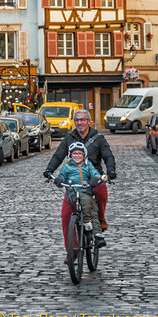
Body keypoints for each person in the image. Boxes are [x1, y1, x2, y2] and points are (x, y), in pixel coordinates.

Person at [44, 108, 116, 245]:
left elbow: (108, 155)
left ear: (89, 121)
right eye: (77, 120)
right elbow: (58, 155)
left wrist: (110, 171)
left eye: (82, 119)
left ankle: (100, 219)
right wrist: (49, 170)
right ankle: (72, 252)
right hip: (74, 182)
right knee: (66, 217)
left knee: (101, 189)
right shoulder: (69, 138)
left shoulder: (98, 138)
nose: (79, 123)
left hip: (93, 179)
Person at [54, 142, 106, 262]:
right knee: (85, 202)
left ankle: (97, 235)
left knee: (93, 209)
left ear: (84, 154)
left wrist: (95, 179)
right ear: (70, 155)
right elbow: (62, 176)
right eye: (74, 153)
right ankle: (87, 225)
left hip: (86, 191)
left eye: (80, 153)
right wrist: (59, 180)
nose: (77, 156)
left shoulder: (88, 165)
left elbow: (96, 174)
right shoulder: (67, 166)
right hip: (73, 193)